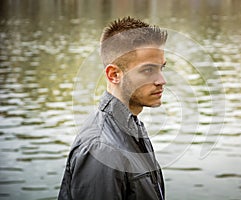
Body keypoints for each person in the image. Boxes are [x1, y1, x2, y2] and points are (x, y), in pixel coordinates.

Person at [58, 16, 168, 200]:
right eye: (148, 70)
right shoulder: (102, 149)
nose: (162, 81)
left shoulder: (131, 127)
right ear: (114, 74)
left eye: (161, 68)